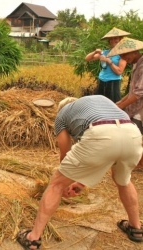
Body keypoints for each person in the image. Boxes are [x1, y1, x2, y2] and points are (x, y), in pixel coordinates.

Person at [17, 95, 143, 249]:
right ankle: (135, 228)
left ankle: (33, 237)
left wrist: (66, 183)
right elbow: (105, 153)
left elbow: (65, 154)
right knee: (123, 180)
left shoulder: (62, 115)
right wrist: (81, 182)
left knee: (56, 184)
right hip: (132, 134)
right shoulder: (99, 101)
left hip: (100, 133)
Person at [107, 37, 143, 168]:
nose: (123, 58)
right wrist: (119, 102)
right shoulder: (136, 64)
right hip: (137, 107)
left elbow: (139, 92)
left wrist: (121, 106)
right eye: (121, 55)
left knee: (137, 134)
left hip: (140, 107)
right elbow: (133, 90)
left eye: (125, 54)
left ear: (134, 51)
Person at [84, 27, 130, 102]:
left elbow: (119, 72)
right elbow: (87, 59)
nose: (113, 40)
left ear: (120, 40)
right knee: (100, 103)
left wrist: (109, 61)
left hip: (113, 82)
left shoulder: (122, 55)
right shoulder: (105, 52)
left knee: (114, 104)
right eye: (111, 39)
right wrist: (95, 52)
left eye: (116, 38)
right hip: (102, 80)